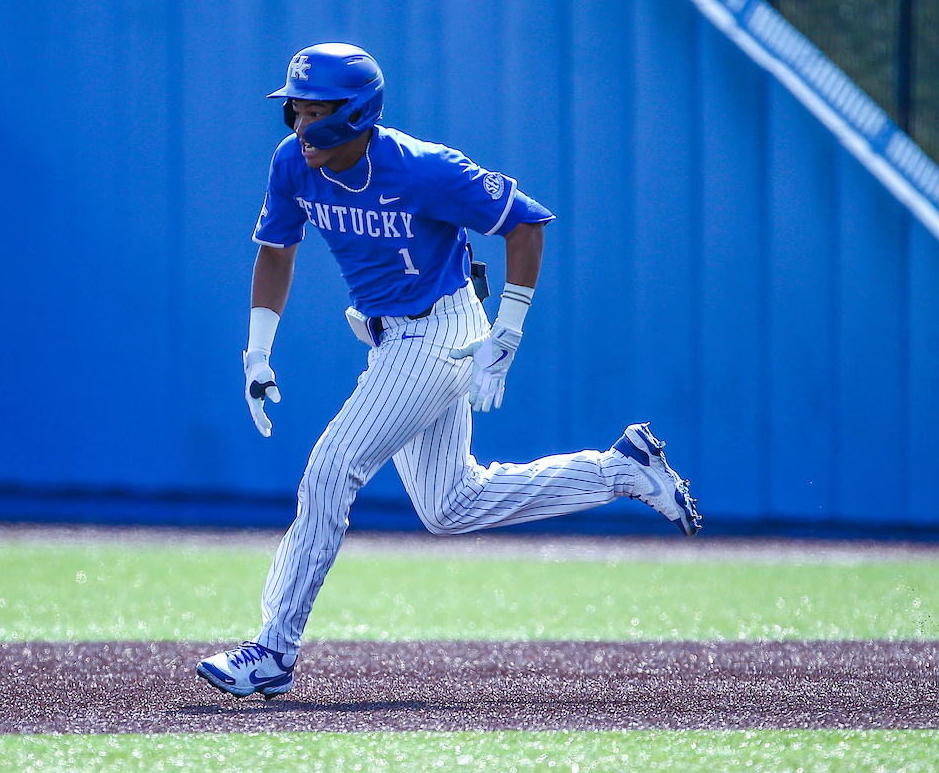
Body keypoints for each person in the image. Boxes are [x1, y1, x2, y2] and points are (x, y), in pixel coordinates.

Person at [196, 43, 702, 699]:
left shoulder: (422, 169)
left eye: (315, 111)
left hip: (439, 331)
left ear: (355, 114)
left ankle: (273, 650)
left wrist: (508, 332)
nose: (299, 125)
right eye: (293, 108)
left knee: (330, 470)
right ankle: (619, 468)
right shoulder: (293, 162)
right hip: (389, 337)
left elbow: (526, 225)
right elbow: (275, 250)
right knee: (450, 504)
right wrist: (257, 353)